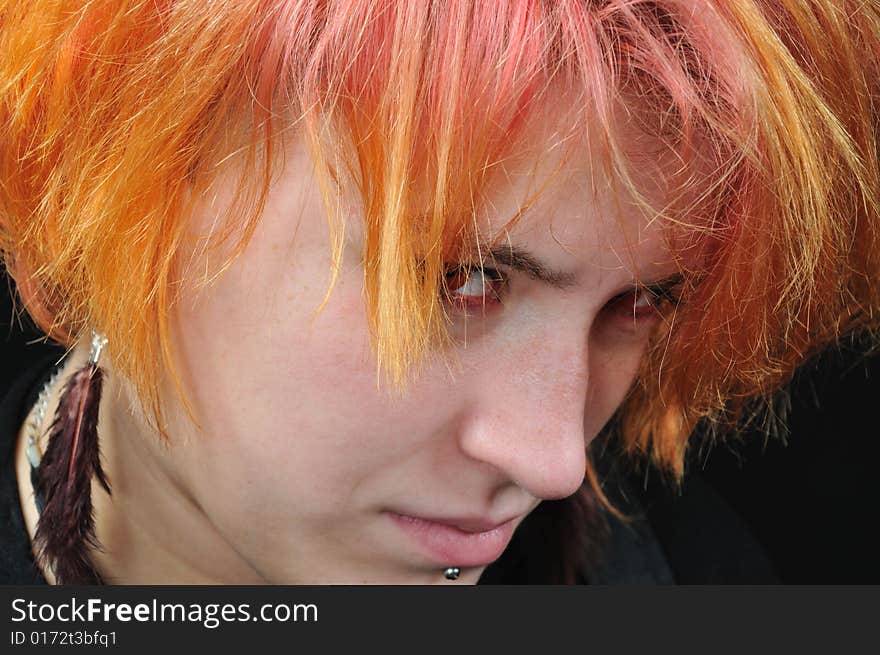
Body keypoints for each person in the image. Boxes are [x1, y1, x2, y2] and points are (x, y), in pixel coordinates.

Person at [0, 0, 878, 585]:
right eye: (462, 280)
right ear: (123, 181)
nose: (553, 461)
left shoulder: (708, 566)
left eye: (638, 303)